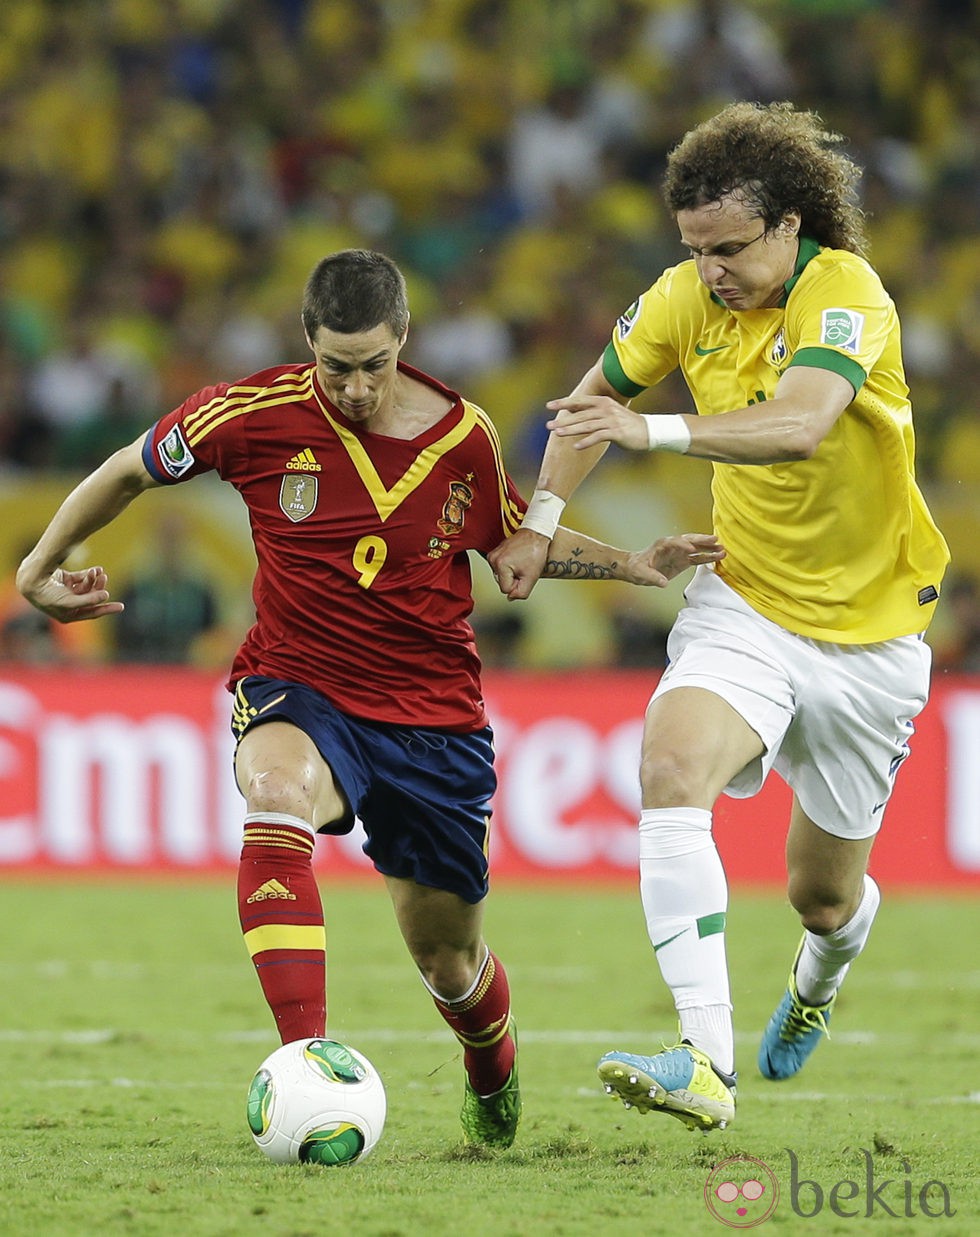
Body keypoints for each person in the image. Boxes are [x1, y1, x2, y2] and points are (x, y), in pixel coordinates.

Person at [16, 248, 723, 1150]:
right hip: (298, 686)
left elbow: (514, 546)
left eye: (373, 364)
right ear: (308, 343)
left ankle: (491, 1068)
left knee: (451, 961)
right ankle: (306, 1061)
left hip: (433, 723)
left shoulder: (464, 436)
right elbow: (127, 469)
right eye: (336, 364)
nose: (353, 386)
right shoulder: (251, 413)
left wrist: (626, 562)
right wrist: (39, 566)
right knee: (274, 792)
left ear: (404, 340)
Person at [488, 103, 950, 1132]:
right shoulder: (677, 299)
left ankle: (817, 983)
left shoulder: (844, 295)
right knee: (667, 766)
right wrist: (541, 521)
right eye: (693, 250)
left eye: (729, 249)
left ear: (791, 225)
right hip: (743, 604)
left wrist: (647, 427)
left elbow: (798, 424)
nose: (709, 272)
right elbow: (581, 412)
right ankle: (703, 1058)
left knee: (820, 899)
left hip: (872, 639)